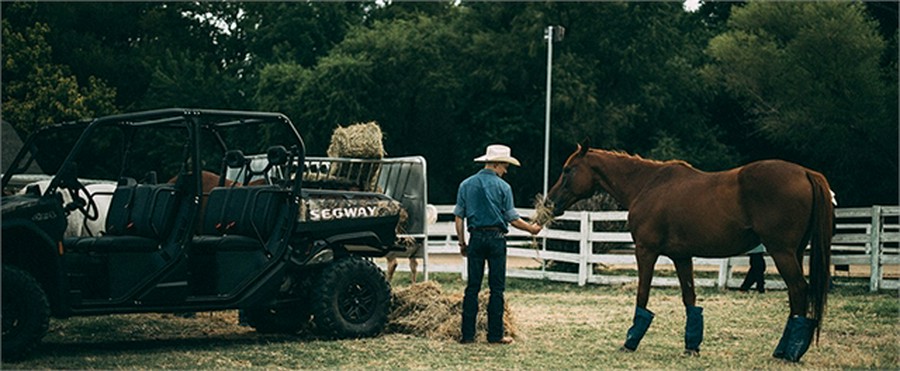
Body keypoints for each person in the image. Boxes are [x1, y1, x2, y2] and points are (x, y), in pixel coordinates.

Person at [454, 144, 542, 345]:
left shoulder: (466, 185)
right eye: (504, 166)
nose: (505, 171)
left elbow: (459, 218)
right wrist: (532, 229)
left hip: (475, 237)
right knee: (497, 289)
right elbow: (512, 218)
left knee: (472, 288)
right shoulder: (504, 188)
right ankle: (495, 335)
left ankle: (467, 335)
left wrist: (462, 243)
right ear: (495, 164)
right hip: (496, 239)